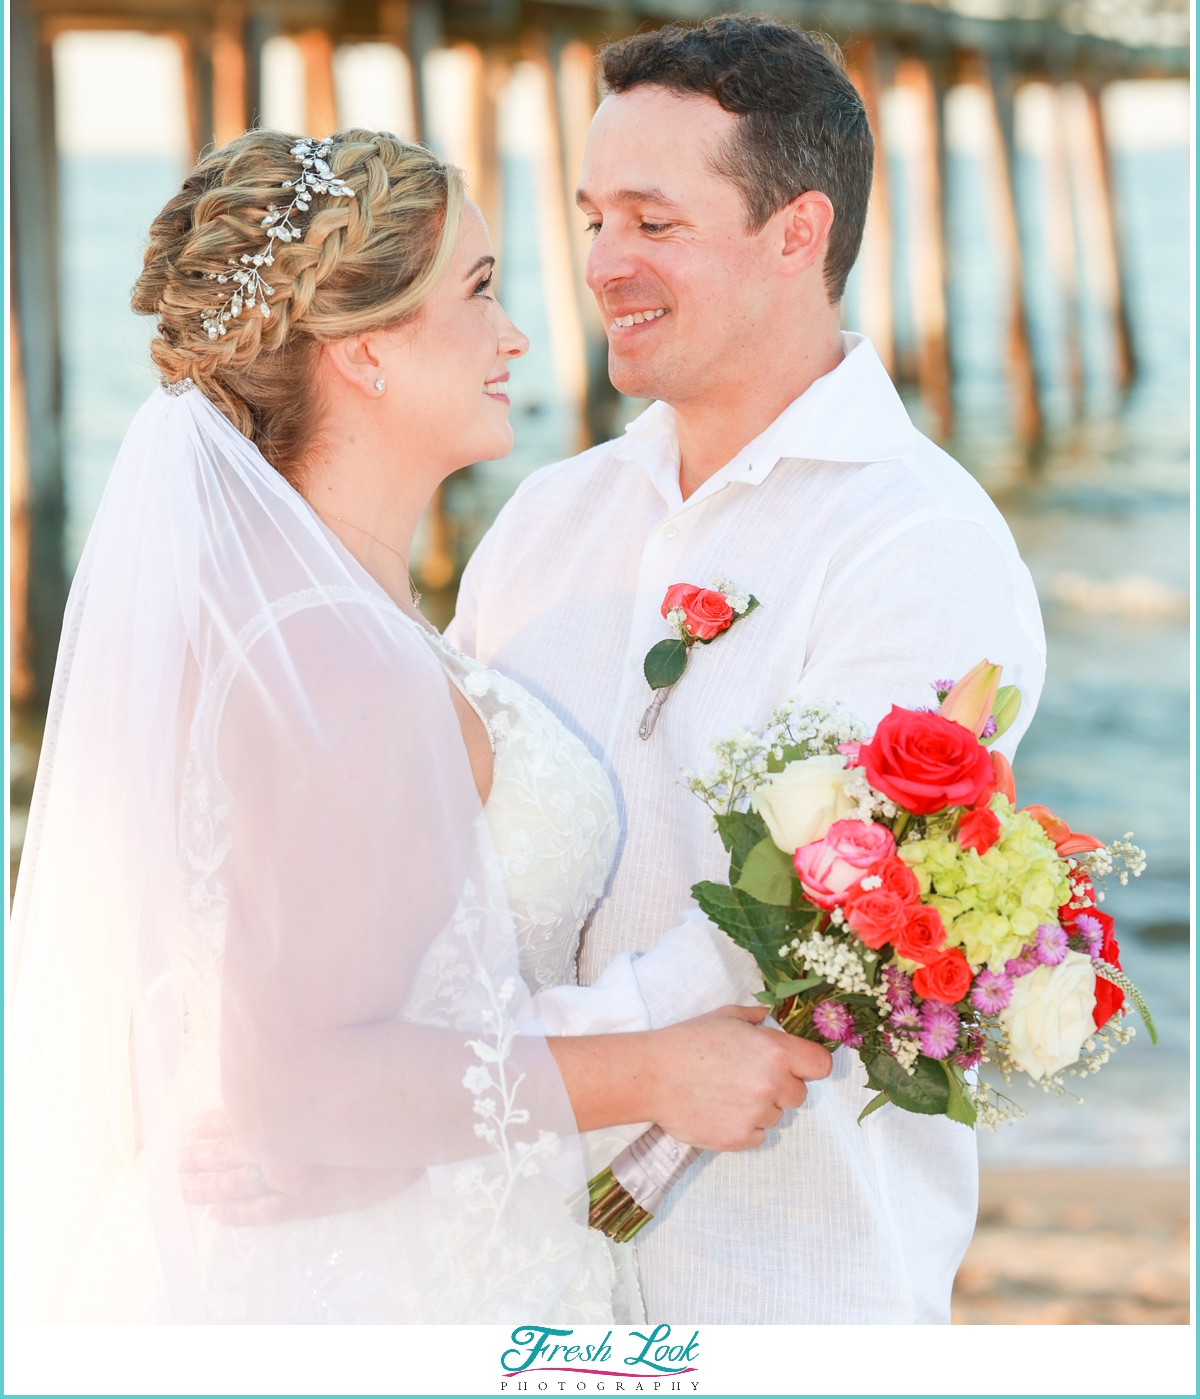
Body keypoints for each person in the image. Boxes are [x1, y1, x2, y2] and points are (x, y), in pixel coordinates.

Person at [7, 126, 830, 1325]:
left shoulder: (310, 622)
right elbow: (301, 1082)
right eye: (480, 292)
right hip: (358, 1295)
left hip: (381, 1255)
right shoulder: (329, 659)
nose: (517, 335)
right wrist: (657, 1072)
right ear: (365, 350)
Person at [448, 15, 1048, 1325]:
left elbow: (791, 913)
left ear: (798, 233)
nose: (601, 263)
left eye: (652, 222)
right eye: (592, 214)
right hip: (508, 1273)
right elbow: (436, 859)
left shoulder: (921, 542)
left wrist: (473, 1081)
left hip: (783, 1287)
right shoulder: (543, 519)